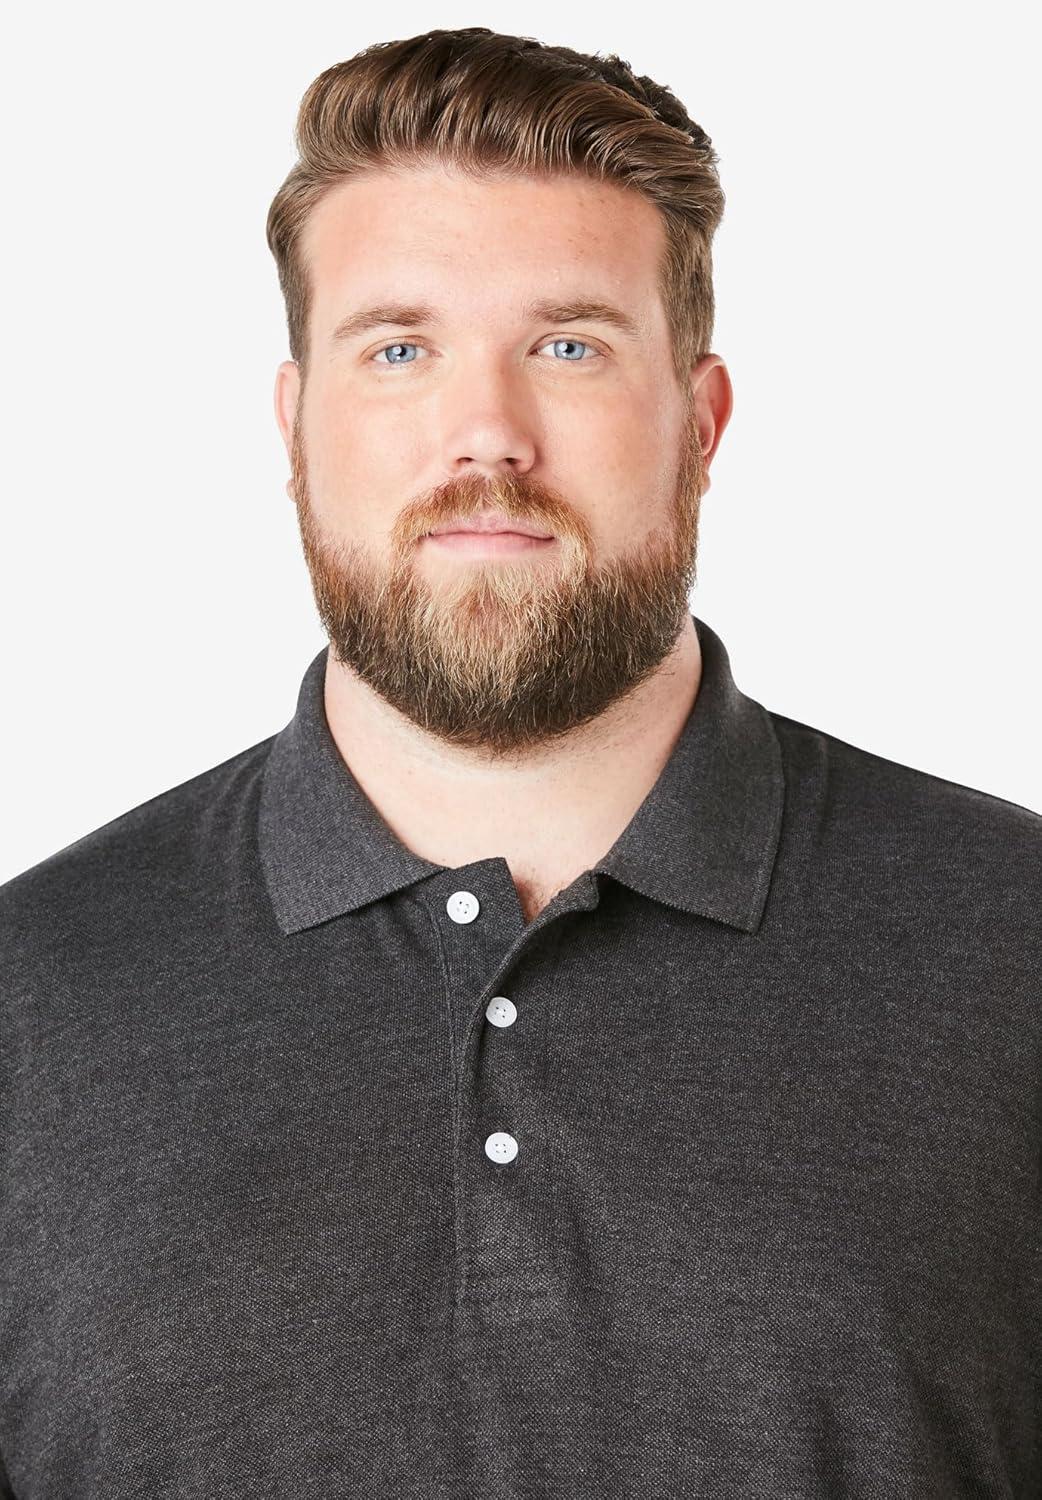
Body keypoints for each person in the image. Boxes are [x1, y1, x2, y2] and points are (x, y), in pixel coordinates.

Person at [0, 25, 1038, 1500]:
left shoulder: (1015, 947)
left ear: (700, 421)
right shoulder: (28, 997)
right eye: (399, 349)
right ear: (295, 428)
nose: (485, 436)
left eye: (568, 346)